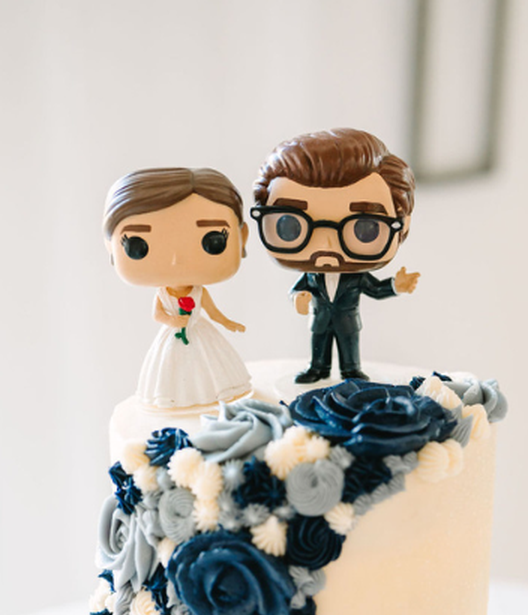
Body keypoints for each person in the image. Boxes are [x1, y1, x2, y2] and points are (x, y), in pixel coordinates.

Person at [250, 128, 420, 384]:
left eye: (365, 228)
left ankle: (351, 370)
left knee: (348, 345)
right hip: (318, 320)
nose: (326, 244)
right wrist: (298, 298)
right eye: (291, 225)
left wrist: (397, 285)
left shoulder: (357, 277)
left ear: (402, 225)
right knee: (319, 344)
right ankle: (317, 368)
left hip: (348, 322)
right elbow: (298, 290)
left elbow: (375, 289)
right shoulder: (311, 276)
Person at [104, 167, 252, 410]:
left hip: (199, 332)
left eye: (213, 240)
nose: (175, 260)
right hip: (174, 335)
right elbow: (157, 314)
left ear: (241, 238)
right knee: (172, 373)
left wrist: (228, 323)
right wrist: (174, 322)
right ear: (111, 247)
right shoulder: (162, 294)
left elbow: (213, 313)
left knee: (209, 367)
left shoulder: (199, 292)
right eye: (137, 245)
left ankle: (210, 399)